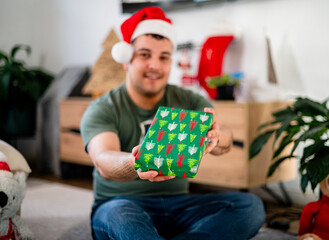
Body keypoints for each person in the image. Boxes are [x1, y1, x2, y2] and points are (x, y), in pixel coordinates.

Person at [80, 6, 265, 240]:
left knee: (250, 206)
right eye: (145, 55)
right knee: (120, 218)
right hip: (121, 203)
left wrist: (217, 136)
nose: (155, 66)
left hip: (180, 205)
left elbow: (224, 137)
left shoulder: (188, 99)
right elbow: (103, 159)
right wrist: (134, 163)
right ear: (127, 60)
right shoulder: (104, 107)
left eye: (164, 57)